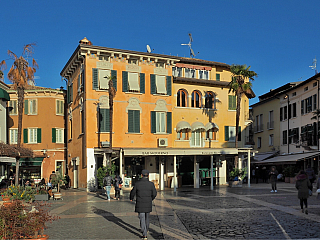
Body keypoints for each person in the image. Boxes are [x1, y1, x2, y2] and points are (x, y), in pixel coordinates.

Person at [130, 170, 157, 240]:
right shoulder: (151, 184)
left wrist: (131, 198)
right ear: (148, 175)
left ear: (141, 175)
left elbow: (133, 192)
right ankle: (146, 229)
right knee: (147, 217)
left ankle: (144, 234)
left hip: (140, 202)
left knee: (142, 218)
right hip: (148, 202)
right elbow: (154, 193)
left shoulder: (137, 183)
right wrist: (151, 199)